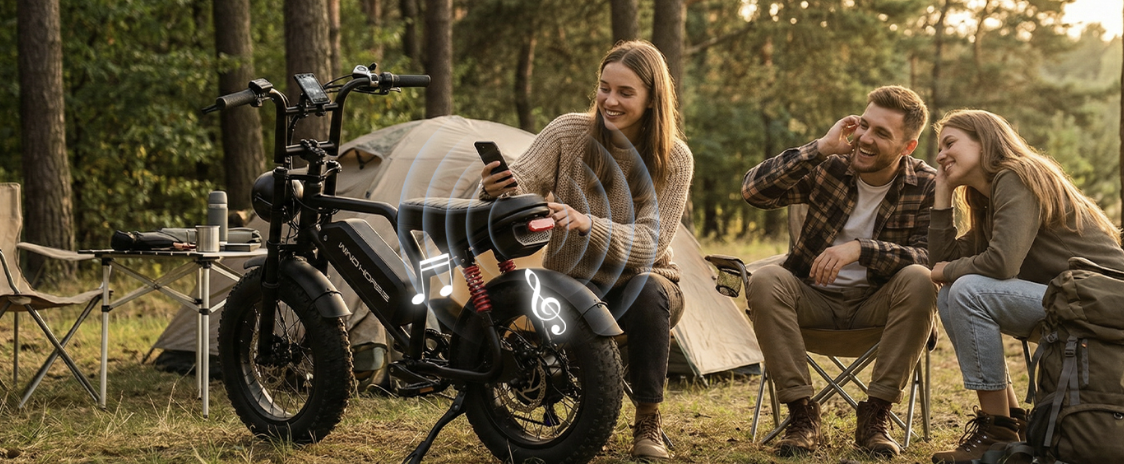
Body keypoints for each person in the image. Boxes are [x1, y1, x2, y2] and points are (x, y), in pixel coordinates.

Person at [479, 40, 693, 461]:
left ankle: (648, 420)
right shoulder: (568, 132)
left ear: (652, 99)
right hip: (574, 283)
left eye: (625, 92)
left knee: (647, 290)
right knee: (569, 313)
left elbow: (650, 244)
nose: (610, 101)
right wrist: (495, 188)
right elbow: (522, 181)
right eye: (604, 88)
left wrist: (589, 224)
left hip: (643, 284)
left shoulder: (674, 158)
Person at [740, 85, 938, 457]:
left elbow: (931, 258)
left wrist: (862, 249)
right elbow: (754, 192)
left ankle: (876, 416)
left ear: (908, 147)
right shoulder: (830, 165)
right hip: (812, 301)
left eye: (882, 133)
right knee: (766, 279)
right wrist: (819, 148)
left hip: (879, 309)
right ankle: (802, 415)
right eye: (864, 125)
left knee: (921, 279)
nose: (865, 138)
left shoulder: (927, 184)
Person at [927, 109, 1124, 464]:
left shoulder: (1016, 176)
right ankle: (1009, 422)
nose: (940, 155)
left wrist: (949, 269)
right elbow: (943, 265)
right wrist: (942, 196)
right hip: (1071, 300)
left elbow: (1001, 264)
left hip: (1105, 300)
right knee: (951, 293)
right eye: (939, 148)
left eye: (949, 143)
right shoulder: (988, 200)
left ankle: (996, 430)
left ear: (984, 141)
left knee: (968, 290)